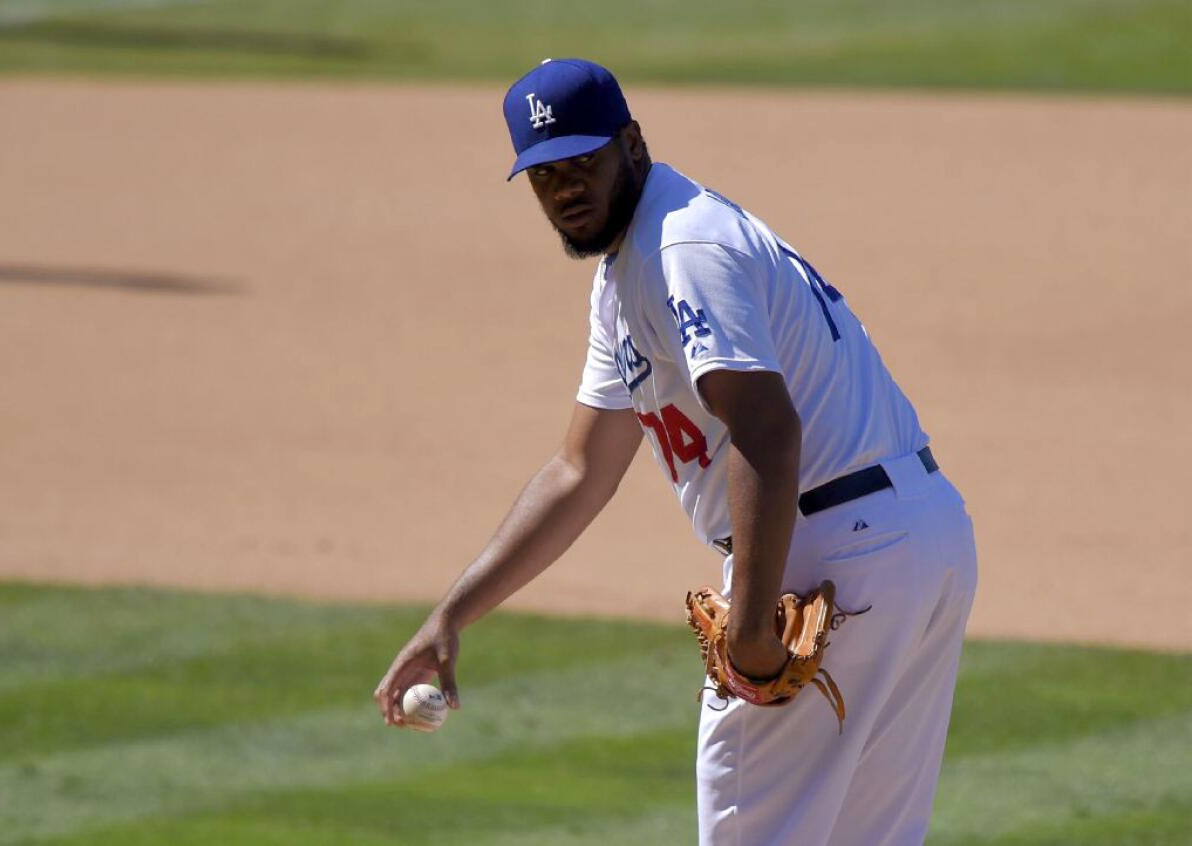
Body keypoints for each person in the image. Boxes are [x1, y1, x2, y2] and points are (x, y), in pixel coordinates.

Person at [374, 58, 978, 846]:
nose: (565, 189)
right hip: (912, 541)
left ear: (633, 143)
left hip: (828, 548)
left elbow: (765, 428)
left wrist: (754, 631)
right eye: (544, 175)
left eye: (583, 163)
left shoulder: (680, 246)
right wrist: (453, 615)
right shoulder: (630, 270)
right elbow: (580, 472)